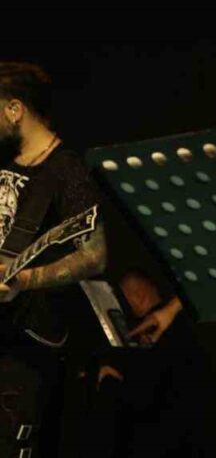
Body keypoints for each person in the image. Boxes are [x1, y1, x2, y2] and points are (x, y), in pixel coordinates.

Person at [0, 61, 108, 458]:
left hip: (25, 342)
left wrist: (26, 280)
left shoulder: (66, 171)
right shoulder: (5, 160)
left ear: (14, 109)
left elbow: (95, 256)